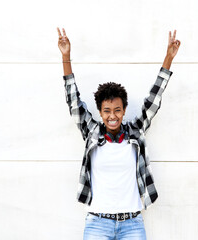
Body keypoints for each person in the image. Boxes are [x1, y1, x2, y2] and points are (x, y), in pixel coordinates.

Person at [57, 27, 180, 240]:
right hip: (98, 223)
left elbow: (153, 100)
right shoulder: (92, 133)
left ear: (123, 111)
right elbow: (73, 101)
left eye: (117, 110)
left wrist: (168, 59)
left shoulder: (135, 132)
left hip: (132, 224)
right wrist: (65, 56)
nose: (112, 116)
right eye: (107, 111)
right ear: (100, 112)